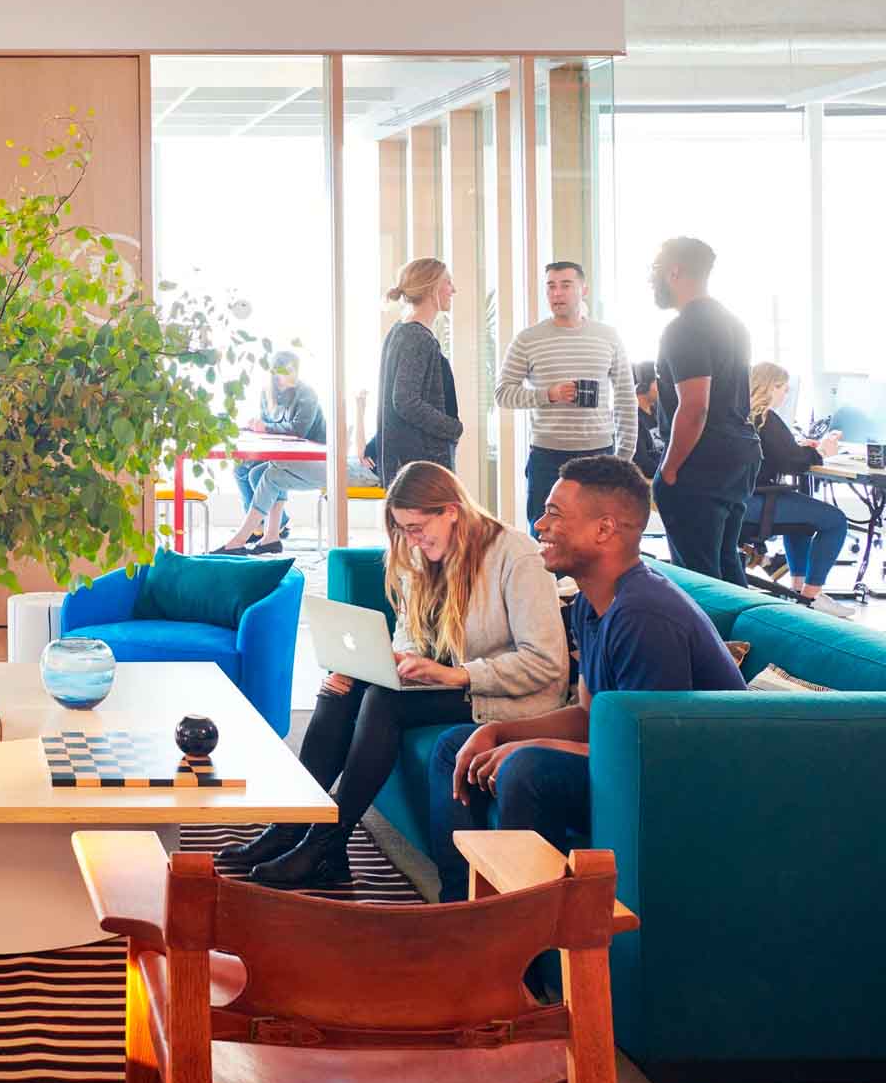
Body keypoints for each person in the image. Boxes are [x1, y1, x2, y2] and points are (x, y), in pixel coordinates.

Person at [223, 461, 568, 887]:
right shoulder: (420, 555)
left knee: (384, 703)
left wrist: (457, 675)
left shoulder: (516, 556)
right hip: (447, 684)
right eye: (403, 530)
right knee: (341, 689)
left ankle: (328, 844)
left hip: (508, 696)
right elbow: (410, 633)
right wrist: (382, 664)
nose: (412, 539)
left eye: (417, 527)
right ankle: (292, 825)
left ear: (452, 510)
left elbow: (546, 663)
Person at [428, 455, 746, 901]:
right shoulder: (588, 604)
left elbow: (650, 751)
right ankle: (463, 909)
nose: (540, 525)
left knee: (527, 768)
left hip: (690, 780)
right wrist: (499, 731)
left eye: (555, 514)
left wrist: (533, 746)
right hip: (634, 757)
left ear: (604, 529)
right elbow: (587, 715)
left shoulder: (644, 615)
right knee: (456, 746)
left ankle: (529, 934)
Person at [649, 237, 761, 585]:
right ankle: (741, 624)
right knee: (726, 568)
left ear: (674, 272)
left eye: (655, 270)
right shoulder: (734, 324)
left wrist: (669, 469)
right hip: (738, 454)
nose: (652, 280)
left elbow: (695, 406)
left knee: (699, 579)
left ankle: (708, 626)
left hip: (700, 461)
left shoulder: (683, 329)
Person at [494, 261, 635, 531]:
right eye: (551, 286)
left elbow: (626, 397)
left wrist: (624, 456)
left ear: (583, 289)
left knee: (598, 534)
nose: (557, 293)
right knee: (545, 533)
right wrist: (548, 394)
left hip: (599, 455)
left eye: (566, 285)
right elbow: (503, 394)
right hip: (547, 457)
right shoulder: (528, 339)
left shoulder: (608, 336)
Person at [745, 362, 853, 616]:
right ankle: (811, 597)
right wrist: (822, 451)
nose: (785, 395)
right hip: (758, 502)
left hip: (741, 499)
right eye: (784, 389)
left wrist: (801, 448)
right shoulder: (766, 417)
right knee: (835, 521)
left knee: (802, 519)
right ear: (771, 387)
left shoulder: (744, 415)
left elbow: (783, 454)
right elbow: (792, 462)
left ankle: (797, 590)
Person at [217, 349, 325, 555]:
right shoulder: (268, 394)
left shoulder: (306, 393)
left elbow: (298, 430)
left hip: (311, 457)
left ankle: (259, 530)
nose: (285, 376)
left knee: (266, 472)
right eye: (281, 371)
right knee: (242, 469)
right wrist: (255, 426)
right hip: (282, 453)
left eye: (290, 370)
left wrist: (265, 427)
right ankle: (263, 528)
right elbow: (267, 424)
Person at [377, 258, 462, 485]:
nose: (453, 290)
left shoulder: (401, 331)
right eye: (448, 282)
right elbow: (405, 400)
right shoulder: (417, 337)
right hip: (422, 468)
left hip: (411, 466)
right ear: (432, 288)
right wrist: (452, 428)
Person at [631, 360, 663, 483]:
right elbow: (645, 465)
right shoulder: (634, 420)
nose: (661, 387)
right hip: (653, 480)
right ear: (643, 386)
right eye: (657, 382)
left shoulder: (659, 412)